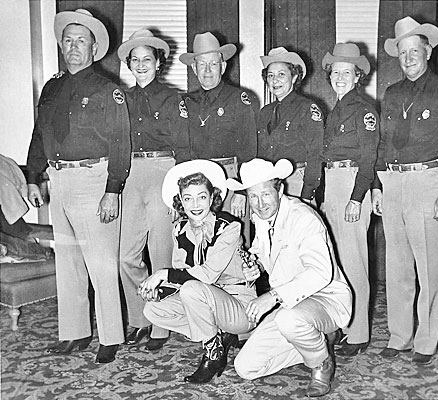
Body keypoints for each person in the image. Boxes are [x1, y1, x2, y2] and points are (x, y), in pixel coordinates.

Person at [26, 9, 131, 363]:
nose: (73, 47)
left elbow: (121, 142)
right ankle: (74, 332)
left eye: (80, 40)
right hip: (58, 179)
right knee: (69, 260)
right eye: (68, 40)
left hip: (93, 180)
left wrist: (113, 190)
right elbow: (39, 135)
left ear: (94, 46)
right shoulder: (52, 86)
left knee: (101, 263)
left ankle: (111, 336)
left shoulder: (107, 89)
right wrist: (32, 177)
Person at [372, 16, 438, 365]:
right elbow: (381, 145)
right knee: (397, 265)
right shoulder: (392, 93)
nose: (409, 57)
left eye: (415, 50)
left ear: (427, 51)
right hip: (393, 183)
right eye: (403, 52)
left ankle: (426, 341)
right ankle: (399, 336)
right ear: (397, 56)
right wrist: (377, 184)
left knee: (428, 267)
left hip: (429, 182)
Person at [228, 158, 352, 398]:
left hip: (324, 300)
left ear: (280, 189)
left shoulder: (303, 218)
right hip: (291, 305)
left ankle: (320, 363)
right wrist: (255, 266)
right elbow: (267, 253)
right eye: (252, 196)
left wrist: (272, 297)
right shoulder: (262, 219)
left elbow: (320, 273)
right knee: (246, 368)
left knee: (288, 320)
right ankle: (321, 341)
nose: (260, 203)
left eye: (265, 194)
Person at [140, 160, 256, 384]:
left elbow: (207, 275)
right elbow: (182, 273)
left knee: (193, 289)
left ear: (212, 198)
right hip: (204, 300)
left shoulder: (229, 226)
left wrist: (163, 274)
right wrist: (160, 291)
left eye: (202, 197)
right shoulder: (179, 229)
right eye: (188, 198)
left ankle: (213, 355)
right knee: (153, 310)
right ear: (180, 202)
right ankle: (218, 337)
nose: (195, 204)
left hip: (239, 304)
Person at [117, 29, 190, 351]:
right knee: (125, 256)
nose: (142, 64)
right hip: (131, 174)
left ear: (159, 63)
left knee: (162, 253)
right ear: (129, 65)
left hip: (164, 171)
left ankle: (160, 323)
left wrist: (179, 191)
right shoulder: (120, 100)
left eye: (148, 59)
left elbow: (185, 148)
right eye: (136, 60)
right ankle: (139, 318)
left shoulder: (174, 99)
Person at [321, 43, 379, 357]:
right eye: (335, 72)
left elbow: (368, 159)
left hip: (352, 186)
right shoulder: (337, 110)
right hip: (334, 185)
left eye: (347, 72)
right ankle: (344, 325)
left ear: (357, 76)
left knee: (354, 261)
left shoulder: (363, 110)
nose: (340, 77)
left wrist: (357, 198)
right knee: (339, 261)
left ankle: (358, 334)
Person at [179, 32, 257, 246]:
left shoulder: (240, 99)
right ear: (193, 68)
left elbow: (249, 149)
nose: (207, 71)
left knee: (235, 243)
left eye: (213, 64)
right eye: (202, 64)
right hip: (197, 181)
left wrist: (241, 190)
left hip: (230, 178)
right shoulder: (185, 102)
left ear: (223, 67)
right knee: (201, 243)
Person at [257, 47, 324, 201]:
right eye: (270, 75)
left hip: (295, 182)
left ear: (294, 78)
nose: (275, 80)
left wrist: (307, 193)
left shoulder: (307, 108)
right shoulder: (265, 112)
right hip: (269, 183)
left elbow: (315, 154)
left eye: (281, 74)